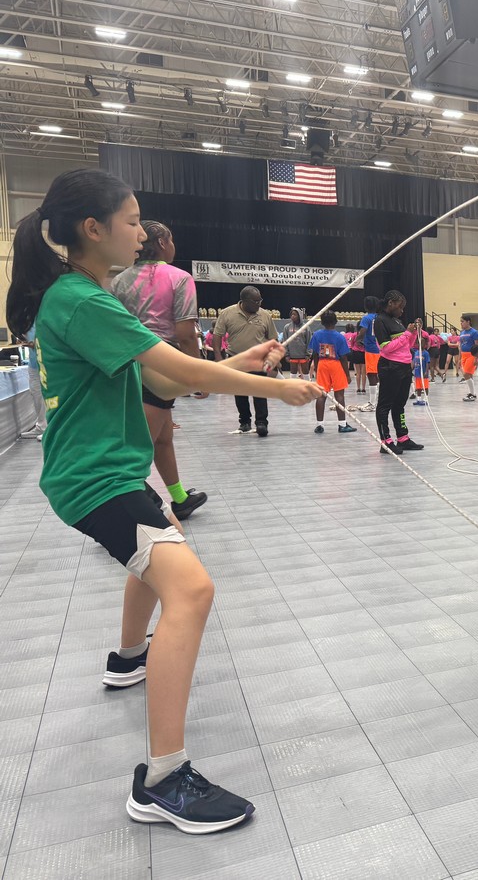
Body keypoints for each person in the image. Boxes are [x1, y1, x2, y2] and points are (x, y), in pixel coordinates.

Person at [5, 168, 322, 833]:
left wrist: (240, 365)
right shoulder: (80, 300)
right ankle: (163, 780)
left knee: (163, 532)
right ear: (93, 229)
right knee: (192, 591)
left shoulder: (84, 295)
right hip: (95, 480)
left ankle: (128, 659)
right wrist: (278, 389)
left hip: (107, 470)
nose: (142, 233)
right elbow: (176, 369)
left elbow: (162, 382)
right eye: (131, 221)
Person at [109, 220, 207, 520]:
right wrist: (198, 375)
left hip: (126, 365)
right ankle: (121, 511)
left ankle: (179, 498)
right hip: (161, 365)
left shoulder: (119, 281)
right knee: (139, 448)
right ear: (163, 243)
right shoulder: (179, 278)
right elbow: (186, 334)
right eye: (171, 239)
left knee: (163, 437)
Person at [212, 285, 277, 436]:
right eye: (256, 301)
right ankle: (245, 422)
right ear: (244, 301)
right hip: (236, 359)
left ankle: (261, 423)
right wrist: (219, 359)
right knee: (240, 392)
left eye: (260, 300)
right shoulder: (227, 313)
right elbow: (217, 336)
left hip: (258, 360)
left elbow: (273, 339)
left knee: (260, 391)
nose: (259, 303)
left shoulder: (265, 315)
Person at [373, 290, 425, 454]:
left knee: (399, 404)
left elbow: (407, 344)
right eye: (400, 307)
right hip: (390, 367)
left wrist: (414, 332)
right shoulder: (380, 321)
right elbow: (386, 348)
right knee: (385, 405)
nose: (402, 311)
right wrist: (408, 333)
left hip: (404, 366)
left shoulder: (396, 320)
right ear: (391, 303)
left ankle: (402, 437)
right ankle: (386, 441)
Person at [308, 310, 356, 434]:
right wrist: (347, 375)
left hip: (322, 364)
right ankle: (342, 424)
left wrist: (317, 368)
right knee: (339, 395)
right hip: (336, 365)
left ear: (322, 322)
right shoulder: (339, 337)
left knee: (321, 395)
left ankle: (319, 425)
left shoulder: (317, 335)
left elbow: (315, 354)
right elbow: (343, 357)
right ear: (335, 322)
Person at [358, 297, 381, 412]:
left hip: (371, 349)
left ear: (366, 306)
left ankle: (372, 403)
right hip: (381, 349)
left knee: (371, 375)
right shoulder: (379, 317)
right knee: (379, 376)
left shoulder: (366, 318)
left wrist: (358, 340)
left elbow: (362, 332)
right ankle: (379, 401)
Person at [280, 307, 312, 378]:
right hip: (292, 355)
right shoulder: (287, 327)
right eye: (291, 314)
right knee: (293, 372)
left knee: (305, 371)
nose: (292, 316)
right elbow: (285, 341)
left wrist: (308, 354)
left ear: (299, 316)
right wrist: (286, 354)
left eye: (295, 315)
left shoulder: (306, 327)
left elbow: (309, 341)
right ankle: (292, 384)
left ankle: (307, 384)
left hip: (304, 355)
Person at [458, 315, 478, 401]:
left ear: (468, 322)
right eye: (460, 321)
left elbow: (477, 345)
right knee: (469, 375)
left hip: (471, 355)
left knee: (466, 374)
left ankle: (473, 394)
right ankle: (472, 393)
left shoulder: (474, 332)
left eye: (463, 321)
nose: (461, 323)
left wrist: (476, 358)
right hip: (463, 355)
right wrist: (459, 358)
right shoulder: (462, 332)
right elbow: (461, 346)